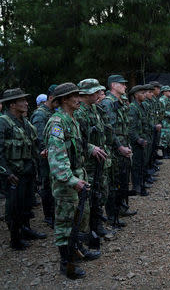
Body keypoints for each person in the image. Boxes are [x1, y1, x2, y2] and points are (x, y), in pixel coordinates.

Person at [45, 82, 105, 279]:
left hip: (78, 178)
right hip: (67, 183)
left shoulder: (71, 120)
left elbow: (77, 145)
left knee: (80, 218)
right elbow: (56, 158)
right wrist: (71, 180)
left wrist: (90, 148)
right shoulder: (57, 123)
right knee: (65, 223)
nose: (79, 99)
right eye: (74, 96)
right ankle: (66, 264)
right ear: (63, 100)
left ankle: (78, 250)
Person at [0, 88, 47, 250]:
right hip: (13, 173)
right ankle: (15, 238)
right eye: (22, 101)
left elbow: (33, 143)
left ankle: (26, 229)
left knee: (27, 204)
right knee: (14, 206)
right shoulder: (3, 122)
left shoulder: (24, 121)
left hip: (28, 170)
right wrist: (6, 172)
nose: (26, 103)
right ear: (12, 104)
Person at [74, 79, 111, 237]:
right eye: (95, 92)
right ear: (85, 93)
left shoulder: (96, 109)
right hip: (86, 163)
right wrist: (90, 148)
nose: (99, 94)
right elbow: (75, 139)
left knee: (99, 193)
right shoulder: (78, 112)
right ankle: (86, 232)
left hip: (99, 160)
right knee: (87, 198)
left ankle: (97, 226)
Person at [99, 75, 133, 228]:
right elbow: (110, 129)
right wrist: (119, 147)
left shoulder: (119, 102)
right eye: (122, 84)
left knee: (123, 180)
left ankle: (120, 210)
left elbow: (124, 126)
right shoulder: (108, 103)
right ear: (113, 85)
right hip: (113, 149)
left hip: (123, 145)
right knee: (114, 183)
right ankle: (112, 217)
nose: (125, 87)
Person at [31, 84, 58, 228]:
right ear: (51, 97)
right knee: (47, 185)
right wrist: (45, 150)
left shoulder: (53, 112)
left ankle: (54, 214)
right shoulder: (40, 114)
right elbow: (39, 137)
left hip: (53, 154)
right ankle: (49, 216)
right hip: (45, 156)